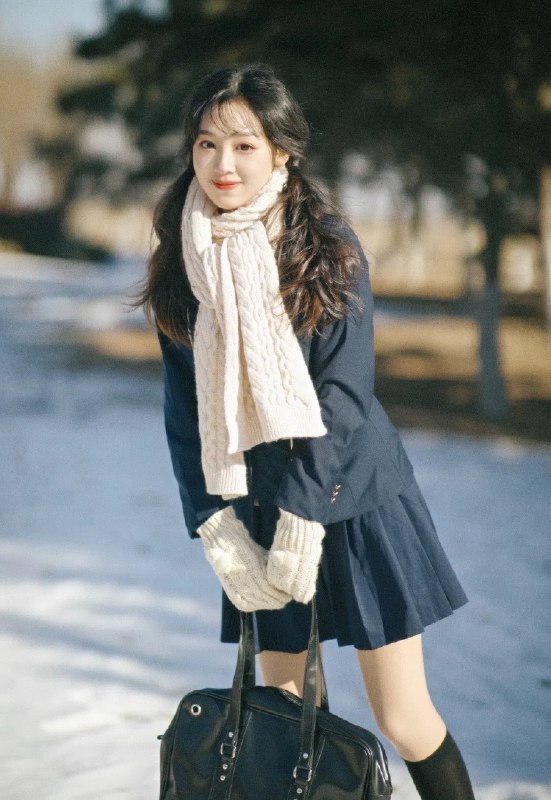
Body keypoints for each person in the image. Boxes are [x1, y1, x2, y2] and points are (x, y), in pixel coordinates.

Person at [138, 64, 475, 800]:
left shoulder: (324, 245)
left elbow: (343, 394)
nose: (222, 164)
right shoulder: (184, 254)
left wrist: (302, 517)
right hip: (255, 504)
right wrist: (214, 524)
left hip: (352, 500)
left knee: (402, 716)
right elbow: (183, 408)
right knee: (284, 718)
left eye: (244, 145)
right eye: (206, 143)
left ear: (282, 151)